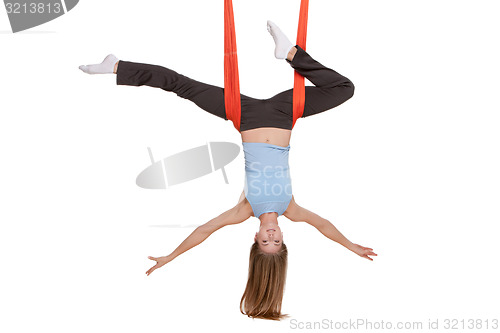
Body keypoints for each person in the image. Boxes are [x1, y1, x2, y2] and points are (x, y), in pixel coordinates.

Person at [79, 21, 377, 320]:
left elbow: (204, 230)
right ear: (284, 238)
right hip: (286, 112)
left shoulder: (245, 209)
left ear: (256, 237)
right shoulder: (291, 209)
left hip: (243, 113)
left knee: (182, 85)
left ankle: (117, 66)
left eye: (264, 241)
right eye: (277, 241)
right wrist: (352, 247)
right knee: (345, 89)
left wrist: (171, 256)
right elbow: (324, 226)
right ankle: (290, 53)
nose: (271, 235)